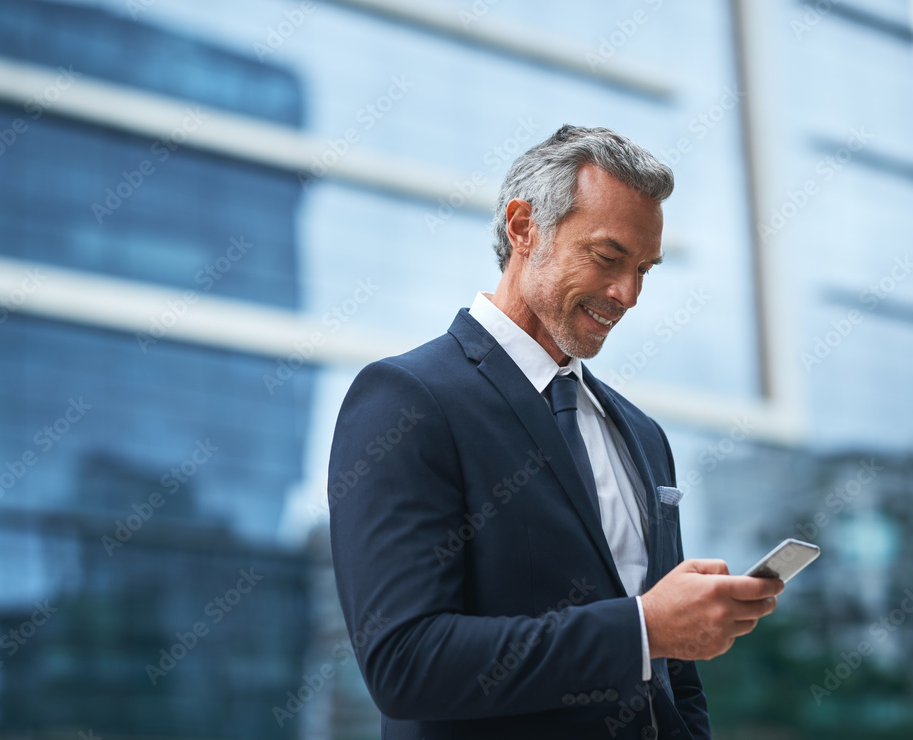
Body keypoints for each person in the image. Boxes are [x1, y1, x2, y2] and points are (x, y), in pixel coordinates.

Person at [327, 125, 783, 740]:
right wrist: (642, 628)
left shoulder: (642, 435)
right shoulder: (407, 400)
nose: (628, 294)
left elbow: (675, 679)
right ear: (522, 227)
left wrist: (669, 634)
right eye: (607, 256)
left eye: (644, 268)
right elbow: (405, 662)